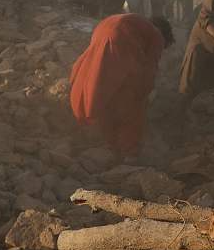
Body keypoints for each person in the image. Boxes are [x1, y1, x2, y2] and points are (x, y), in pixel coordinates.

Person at [70, 14, 174, 159]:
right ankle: (129, 152)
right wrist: (146, 91)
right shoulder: (156, 36)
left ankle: (107, 141)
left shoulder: (136, 23)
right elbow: (149, 70)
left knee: (102, 88)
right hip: (120, 40)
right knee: (133, 100)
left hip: (102, 30)